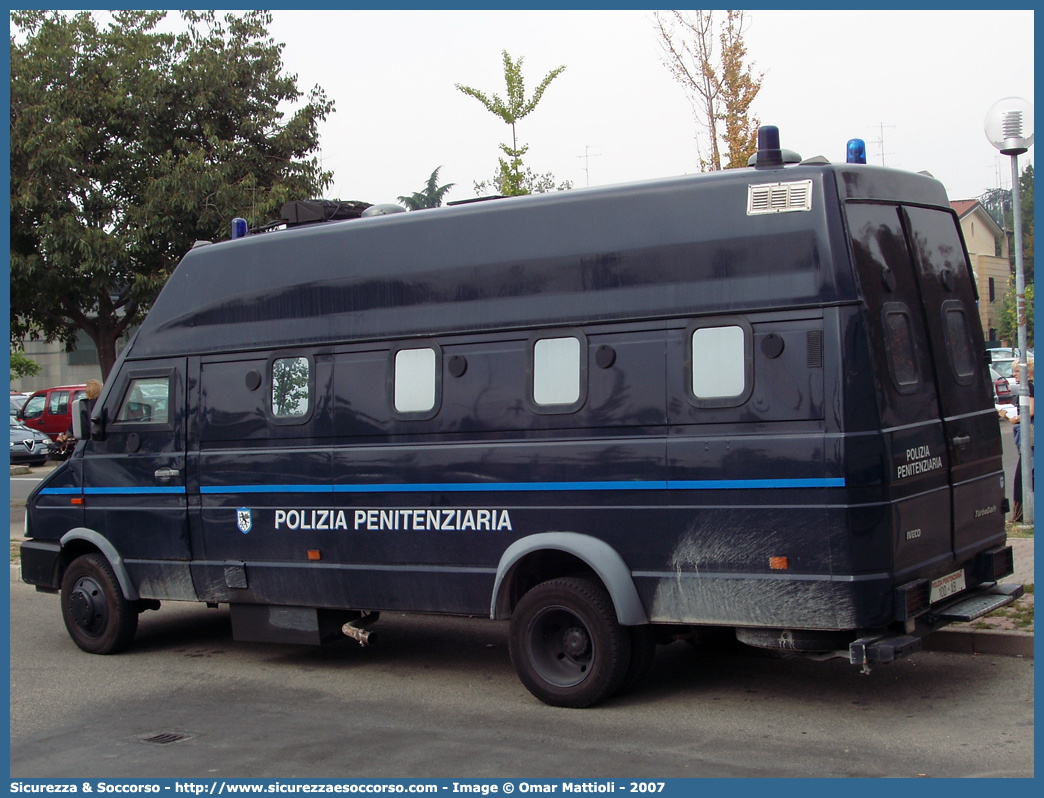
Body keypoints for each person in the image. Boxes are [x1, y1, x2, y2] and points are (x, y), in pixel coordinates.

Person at [1007, 360, 1034, 522]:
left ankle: (1020, 515)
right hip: (1029, 439)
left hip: (1030, 439)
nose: (1014, 374)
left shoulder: (1029, 387)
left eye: (1017, 371)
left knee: (1023, 477)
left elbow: (1031, 409)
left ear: (1027, 373)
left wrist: (1015, 418)